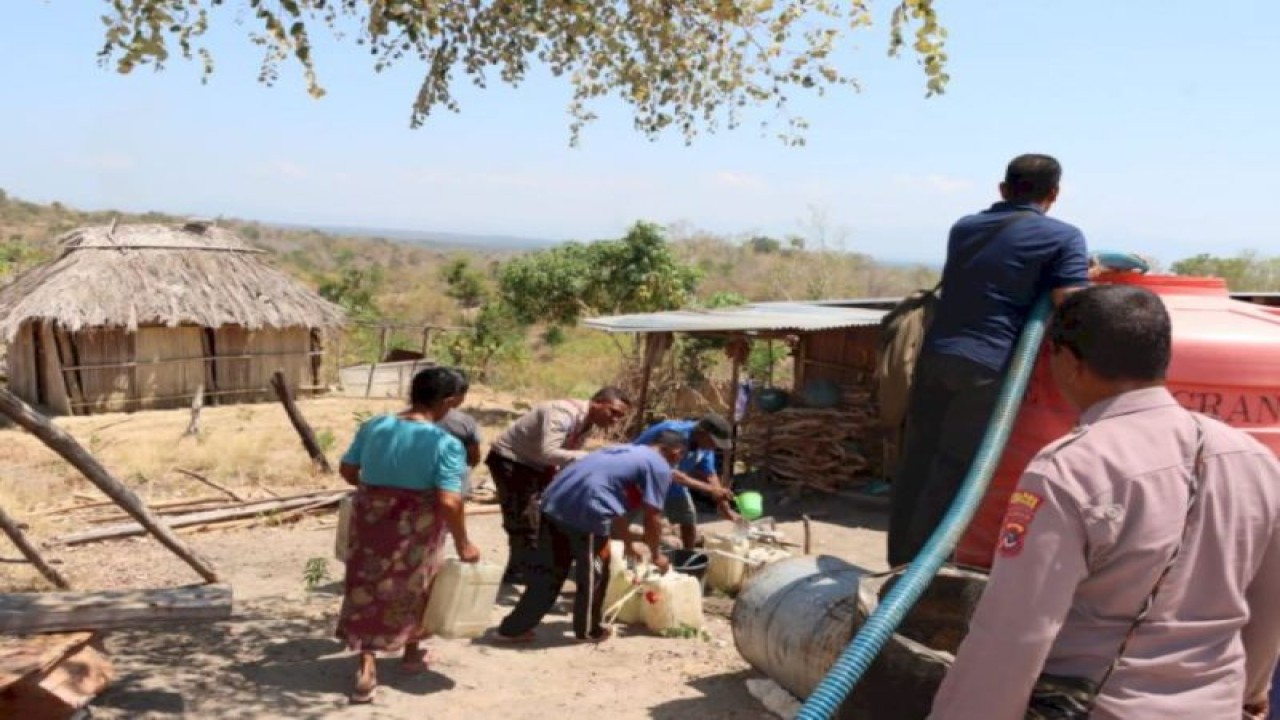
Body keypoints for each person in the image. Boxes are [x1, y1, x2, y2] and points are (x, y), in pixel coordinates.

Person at [929, 285, 1280, 720]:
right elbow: (1269, 602)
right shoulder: (1254, 459)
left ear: (1069, 362)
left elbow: (1016, 631)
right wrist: (1250, 695)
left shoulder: (1069, 470)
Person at [888, 153, 1092, 566]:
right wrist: (1088, 277)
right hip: (988, 366)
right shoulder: (1064, 237)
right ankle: (925, 574)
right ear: (1054, 194)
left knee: (920, 460)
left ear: (1002, 189)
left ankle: (899, 563)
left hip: (937, 357)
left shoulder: (964, 228)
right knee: (957, 471)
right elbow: (1070, 303)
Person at [334, 367, 481, 704]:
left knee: (366, 588)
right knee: (418, 584)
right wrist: (463, 542)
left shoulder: (375, 426)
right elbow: (448, 499)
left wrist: (378, 496)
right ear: (450, 400)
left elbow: (347, 470)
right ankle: (411, 653)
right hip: (418, 530)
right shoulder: (445, 443)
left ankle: (366, 668)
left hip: (370, 523)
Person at [495, 432, 684, 643]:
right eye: (679, 457)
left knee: (548, 572)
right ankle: (588, 630)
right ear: (675, 452)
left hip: (553, 503)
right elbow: (653, 516)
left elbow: (615, 506)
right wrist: (657, 555)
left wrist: (629, 544)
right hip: (588, 511)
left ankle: (512, 629)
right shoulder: (659, 465)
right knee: (594, 576)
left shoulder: (621, 451)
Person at [485, 386, 632, 584]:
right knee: (524, 518)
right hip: (512, 460)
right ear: (597, 402)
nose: (615, 420)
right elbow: (549, 452)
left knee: (544, 515)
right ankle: (521, 573)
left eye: (619, 417)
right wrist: (591, 458)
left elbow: (564, 455)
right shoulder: (563, 413)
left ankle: (524, 569)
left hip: (538, 465)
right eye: (612, 412)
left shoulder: (587, 422)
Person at [630, 413, 739, 549]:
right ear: (702, 433)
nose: (714, 447)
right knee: (624, 519)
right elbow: (672, 474)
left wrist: (725, 508)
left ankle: (687, 557)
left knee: (688, 518)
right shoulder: (674, 434)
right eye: (713, 442)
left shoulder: (704, 446)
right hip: (640, 478)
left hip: (673, 484)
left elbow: (711, 475)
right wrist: (712, 490)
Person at [436, 368, 483, 497]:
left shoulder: (413, 417)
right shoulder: (464, 421)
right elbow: (474, 457)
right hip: (454, 489)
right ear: (457, 395)